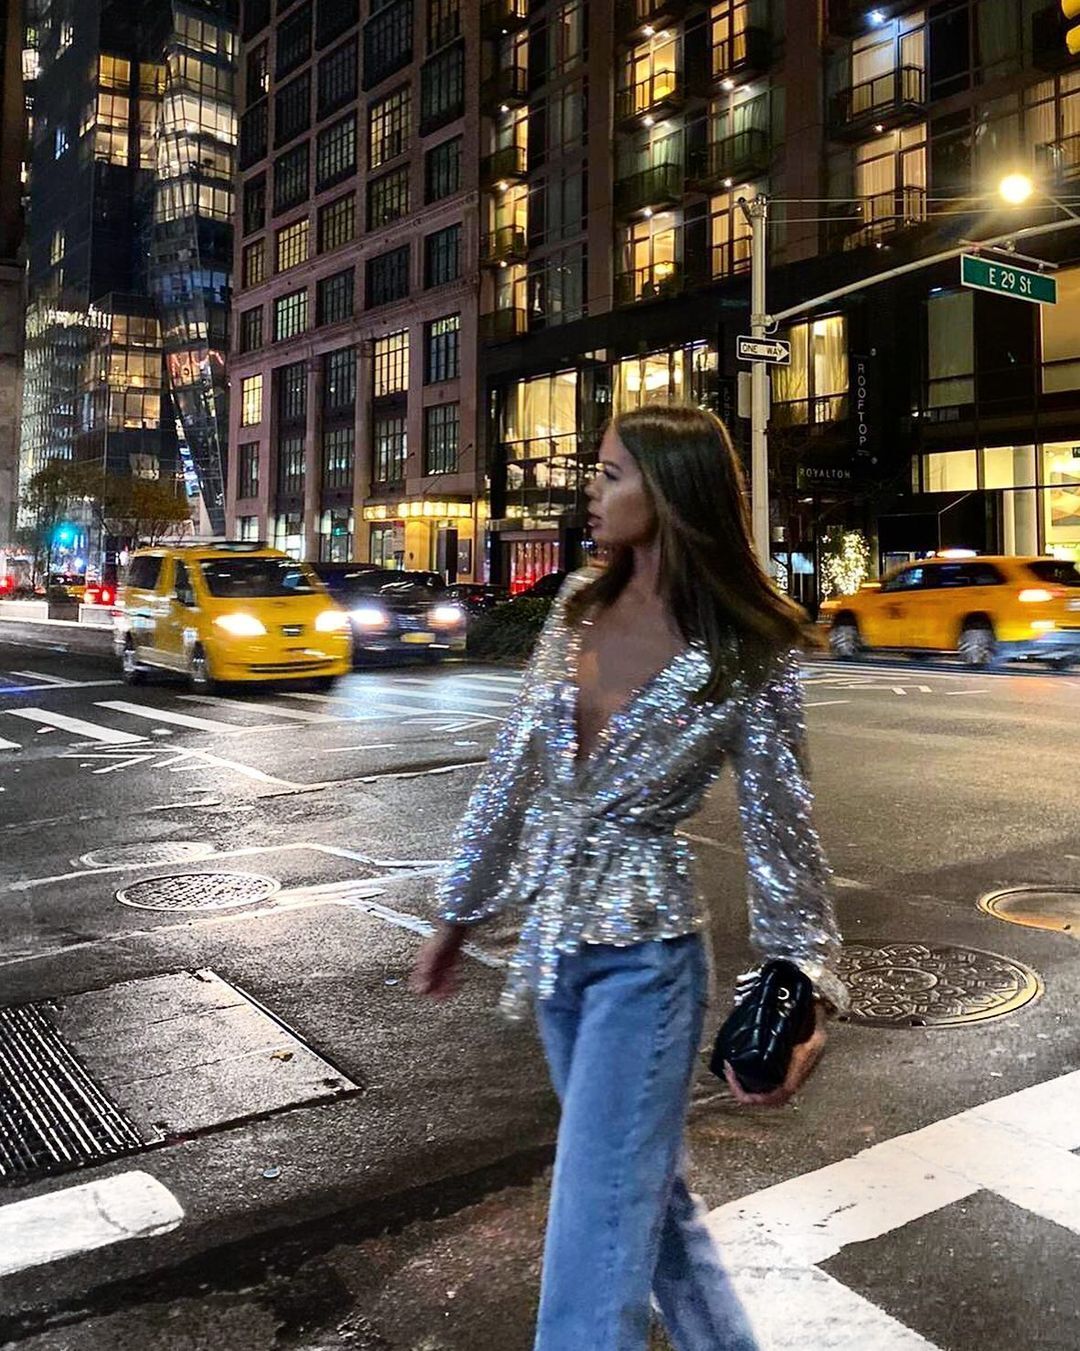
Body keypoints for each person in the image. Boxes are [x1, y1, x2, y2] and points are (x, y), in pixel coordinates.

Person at [411, 403, 847, 1351]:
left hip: (647, 963)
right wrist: (458, 911)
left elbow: (785, 835)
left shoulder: (748, 651)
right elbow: (514, 772)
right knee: (643, 1205)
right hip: (557, 951)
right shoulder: (573, 606)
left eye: (610, 475)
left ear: (672, 491)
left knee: (595, 1215)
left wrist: (802, 983)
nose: (590, 491)